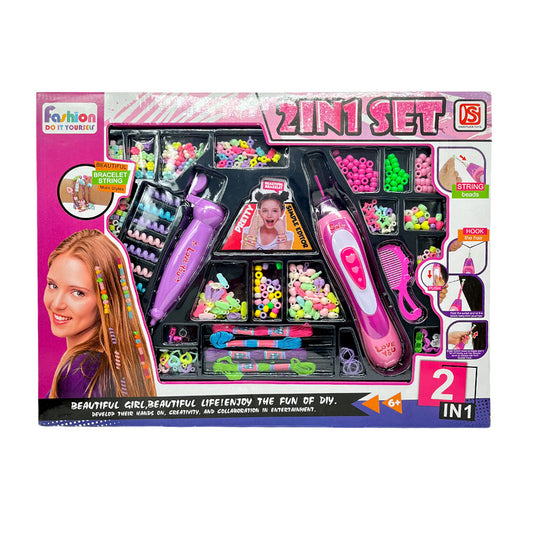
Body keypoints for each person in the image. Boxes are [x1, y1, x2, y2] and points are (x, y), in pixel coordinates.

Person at [44, 229, 156, 398]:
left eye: (78, 293)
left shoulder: (81, 371)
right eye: (53, 285)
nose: (56, 304)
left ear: (108, 300)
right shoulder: (116, 364)